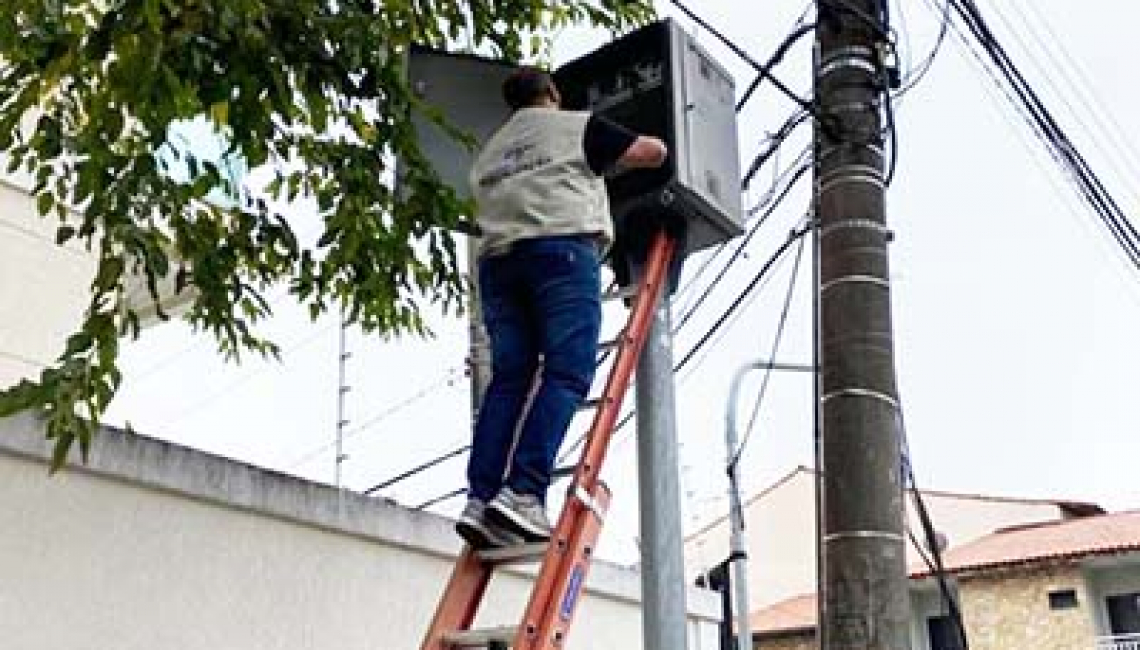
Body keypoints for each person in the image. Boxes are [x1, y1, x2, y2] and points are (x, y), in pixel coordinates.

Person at [456, 67, 668, 549]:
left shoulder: (487, 155)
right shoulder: (576, 125)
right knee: (568, 372)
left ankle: (480, 496)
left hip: (498, 266)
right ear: (551, 93)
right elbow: (649, 154)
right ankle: (525, 492)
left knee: (510, 379)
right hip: (560, 253)